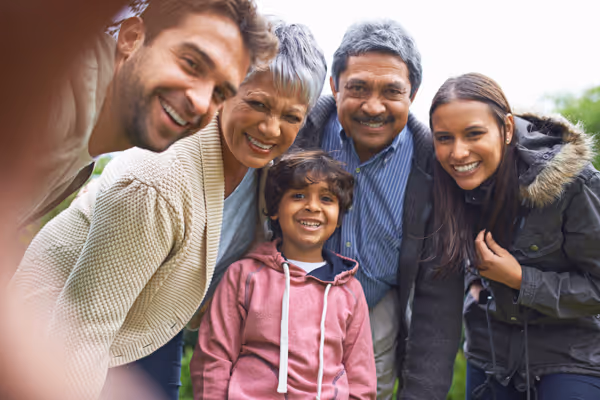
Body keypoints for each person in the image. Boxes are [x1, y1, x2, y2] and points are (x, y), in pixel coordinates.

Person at [9, 21, 327, 400]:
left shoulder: (267, 176)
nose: (271, 129)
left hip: (152, 324)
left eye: (291, 116)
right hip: (56, 329)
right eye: (257, 103)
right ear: (225, 91)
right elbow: (82, 331)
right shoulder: (156, 183)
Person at [294, 20, 463, 399]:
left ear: (413, 95)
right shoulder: (295, 134)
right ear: (335, 86)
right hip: (284, 312)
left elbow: (438, 300)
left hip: (375, 325)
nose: (373, 106)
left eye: (391, 91)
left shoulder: (435, 168)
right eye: (357, 88)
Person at [15, 0, 277, 229]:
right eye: (191, 64)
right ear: (132, 38)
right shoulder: (51, 98)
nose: (199, 103)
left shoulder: (84, 143)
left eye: (219, 93)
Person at [428, 72, 600, 400]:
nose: (458, 153)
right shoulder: (442, 181)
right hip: (489, 355)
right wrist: (474, 282)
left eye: (473, 134)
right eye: (444, 138)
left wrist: (520, 279)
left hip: (571, 359)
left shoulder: (576, 185)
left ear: (506, 128)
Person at [191, 150, 376, 399]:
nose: (312, 206)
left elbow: (360, 376)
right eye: (298, 196)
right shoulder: (244, 276)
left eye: (326, 199)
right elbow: (214, 357)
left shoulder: (350, 291)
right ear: (275, 208)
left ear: (339, 216)